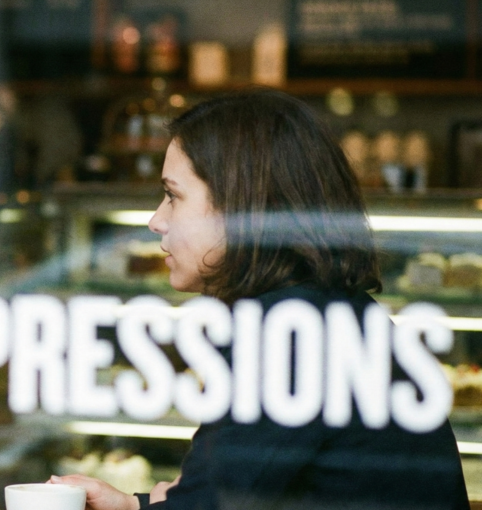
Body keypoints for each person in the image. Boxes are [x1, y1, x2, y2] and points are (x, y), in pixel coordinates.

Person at [51, 89, 470, 509]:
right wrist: (136, 505)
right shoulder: (316, 313)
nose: (156, 220)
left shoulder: (292, 334)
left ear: (241, 206)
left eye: (173, 196)